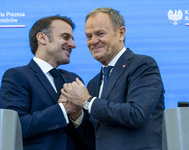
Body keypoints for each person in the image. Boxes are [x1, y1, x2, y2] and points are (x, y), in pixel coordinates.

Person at [59, 7, 165, 150]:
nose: (93, 41)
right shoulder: (93, 83)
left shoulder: (143, 65)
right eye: (89, 36)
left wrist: (87, 101)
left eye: (100, 34)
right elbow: (95, 137)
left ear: (121, 33)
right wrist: (76, 113)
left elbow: (136, 115)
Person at [0, 15, 89, 150]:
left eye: (72, 39)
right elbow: (14, 127)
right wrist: (63, 110)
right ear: (42, 38)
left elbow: (90, 135)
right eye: (65, 37)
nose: (73, 45)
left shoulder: (74, 80)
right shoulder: (16, 76)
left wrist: (77, 116)